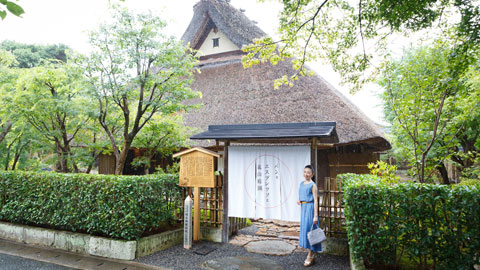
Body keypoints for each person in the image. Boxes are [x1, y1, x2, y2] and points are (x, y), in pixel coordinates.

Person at [297, 164, 321, 266]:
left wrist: (315, 215)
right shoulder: (302, 183)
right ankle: (312, 254)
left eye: (308, 172)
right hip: (304, 209)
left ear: (312, 174)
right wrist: (300, 200)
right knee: (306, 231)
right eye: (305, 172)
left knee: (310, 230)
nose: (306, 174)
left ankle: (310, 255)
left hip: (310, 209)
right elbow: (303, 195)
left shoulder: (313, 185)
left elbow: (315, 201)